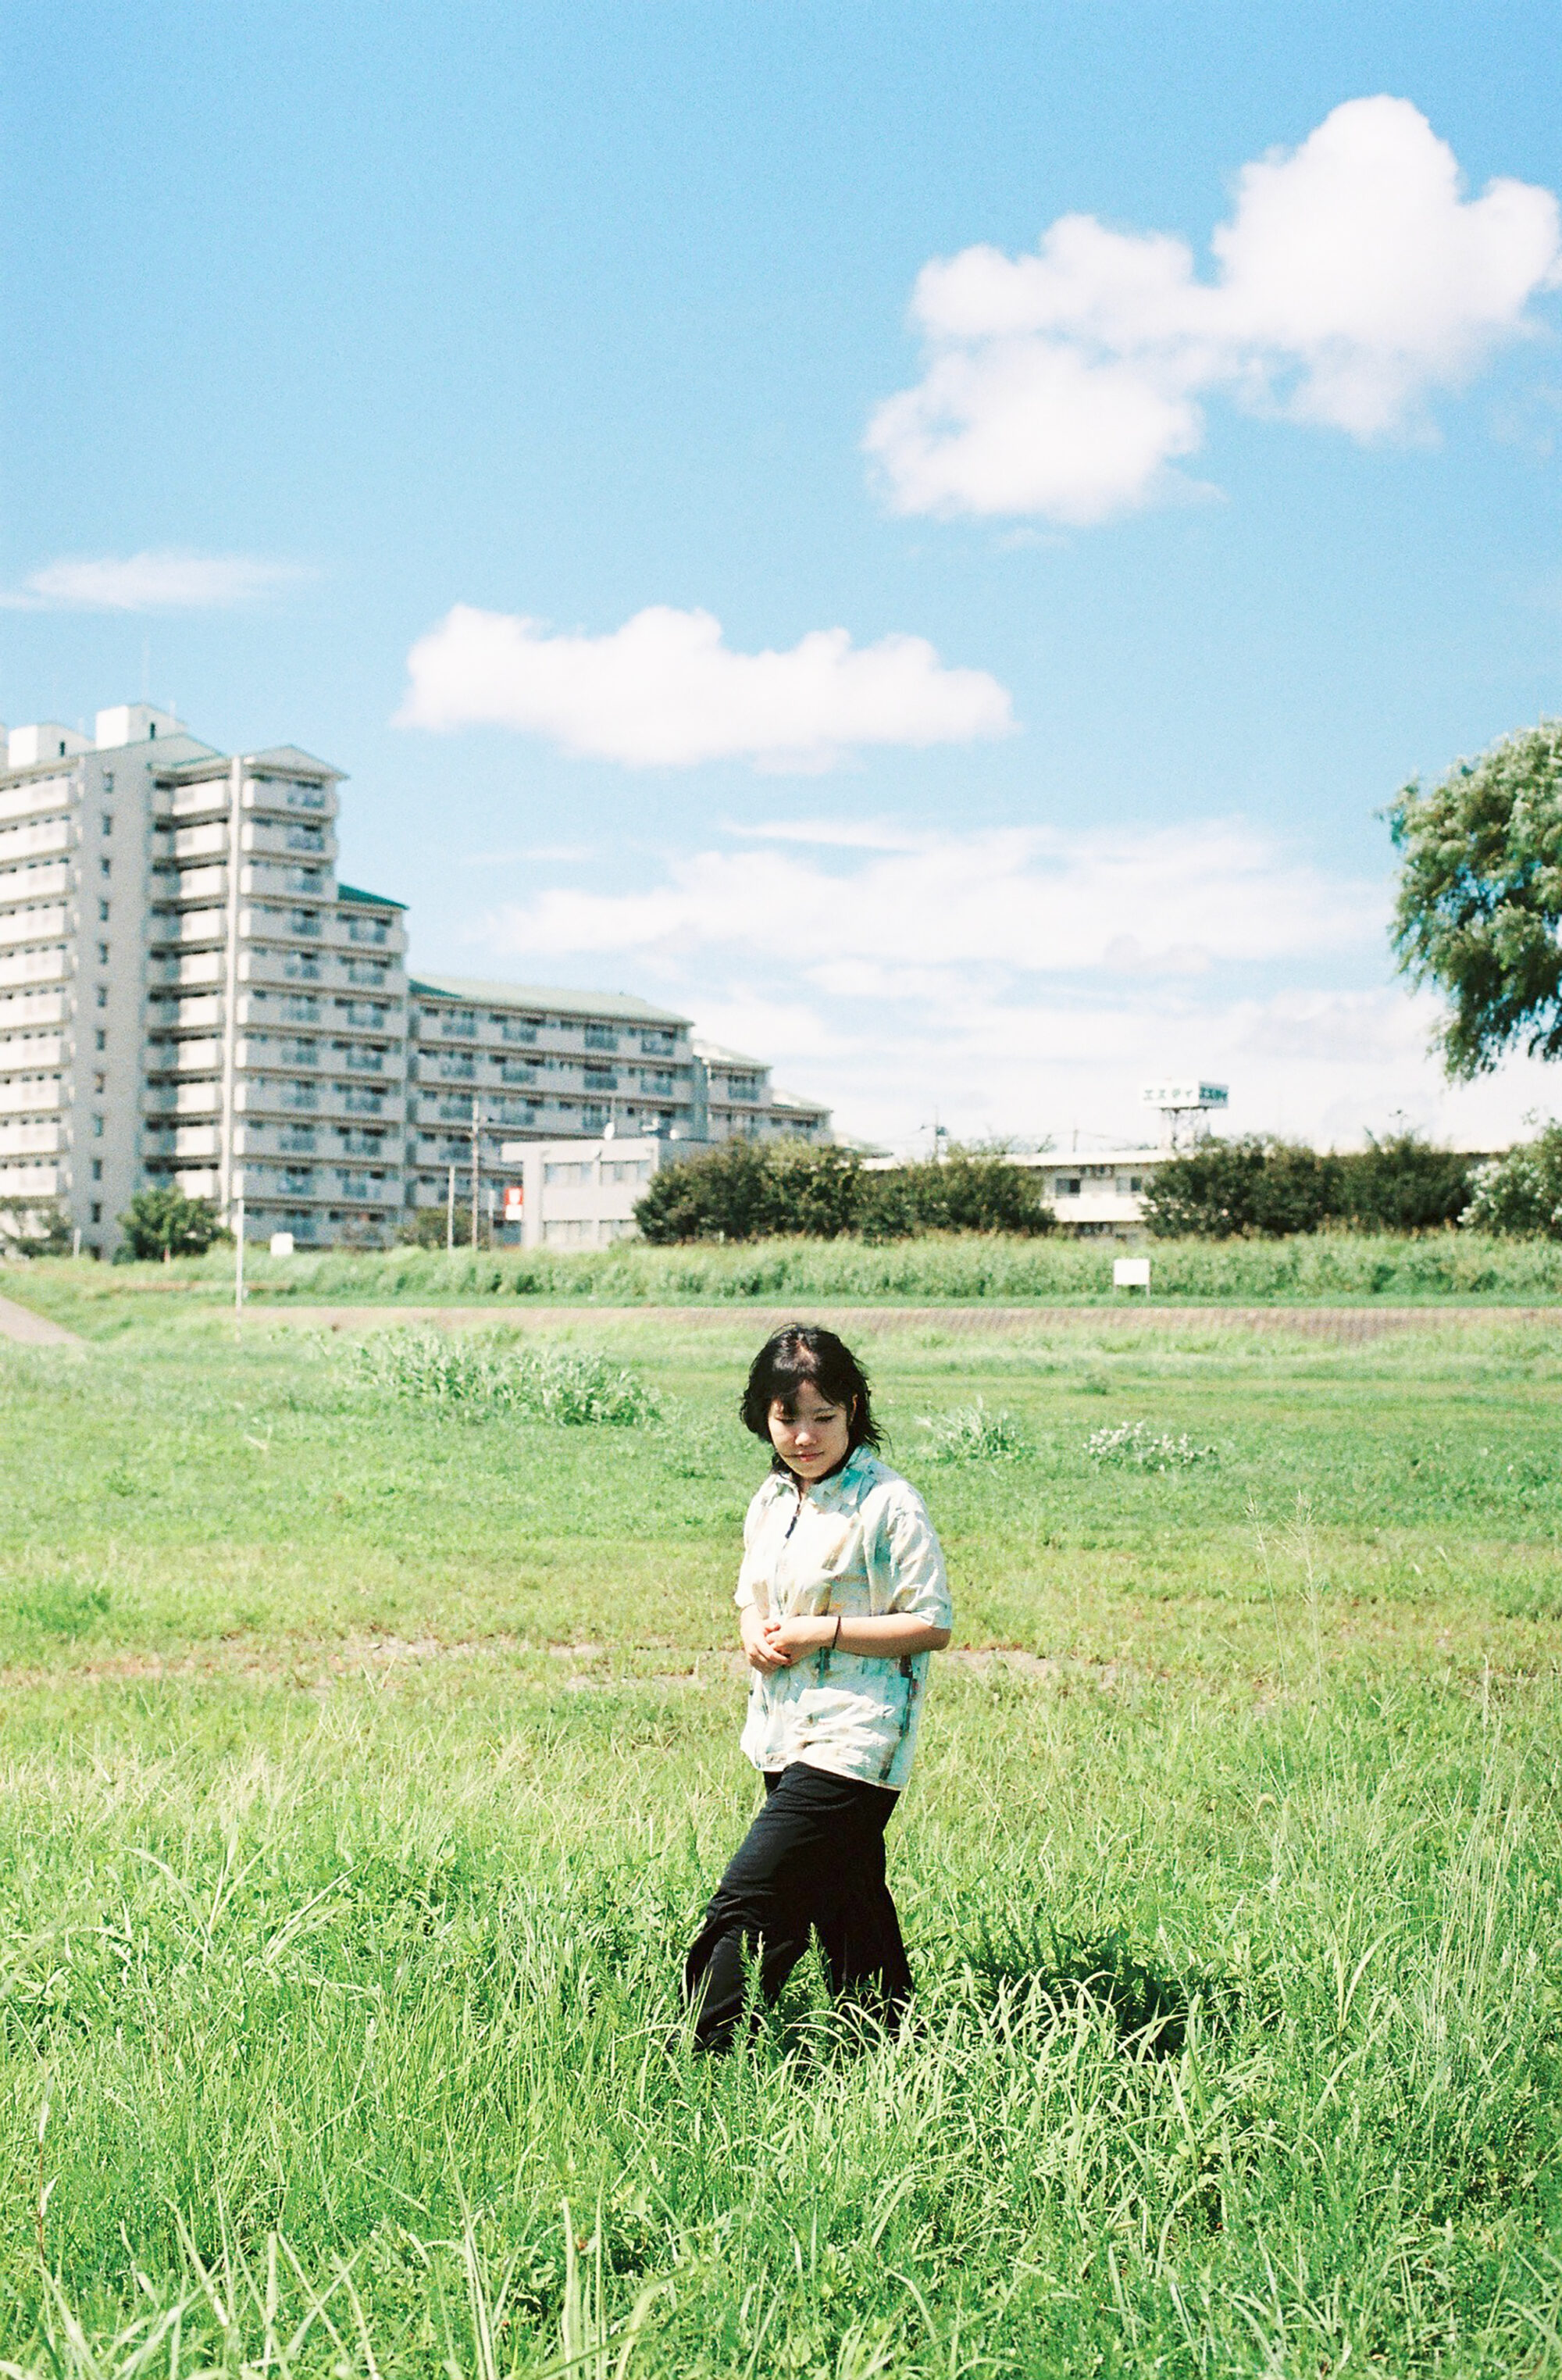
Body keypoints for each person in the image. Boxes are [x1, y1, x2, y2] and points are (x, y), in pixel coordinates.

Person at [683, 1323, 952, 2052]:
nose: (804, 1436)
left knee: (748, 1898)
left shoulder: (889, 1503)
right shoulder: (774, 1496)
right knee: (848, 1898)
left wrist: (820, 1633)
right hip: (781, 1728)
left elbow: (931, 1622)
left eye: (822, 1417)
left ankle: (704, 2062)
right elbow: (751, 1591)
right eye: (786, 1418)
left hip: (858, 1736)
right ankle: (888, 2046)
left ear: (854, 1407)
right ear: (762, 1416)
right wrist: (751, 1628)